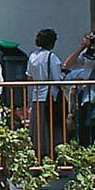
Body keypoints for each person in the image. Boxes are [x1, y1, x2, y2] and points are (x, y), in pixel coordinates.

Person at [26, 28, 66, 159]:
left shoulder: (32, 56)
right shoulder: (52, 57)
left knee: (38, 130)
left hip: (36, 96)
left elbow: (29, 76)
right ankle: (53, 156)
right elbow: (57, 79)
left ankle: (38, 155)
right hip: (50, 97)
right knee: (53, 129)